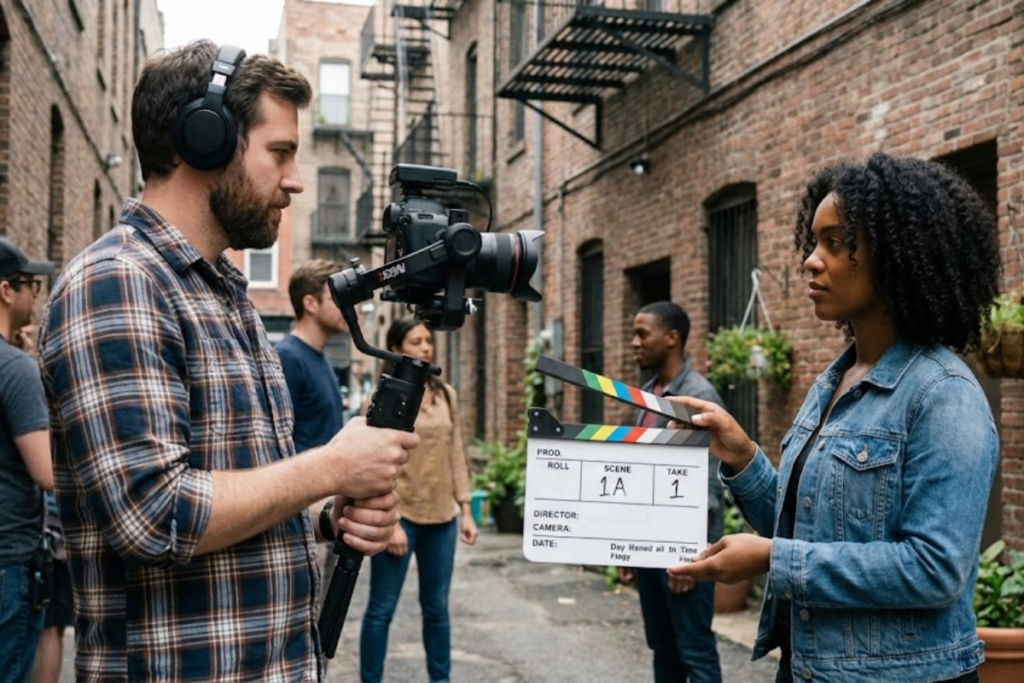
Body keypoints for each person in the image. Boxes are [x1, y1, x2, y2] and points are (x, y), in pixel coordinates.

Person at [37, 41, 418, 682]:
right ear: (206, 139)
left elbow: (239, 481)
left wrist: (324, 514)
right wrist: (330, 466)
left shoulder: (225, 292)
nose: (295, 179)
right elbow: (152, 515)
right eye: (280, 152)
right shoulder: (118, 282)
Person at [669, 153, 1001, 683]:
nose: (810, 260)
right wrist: (741, 454)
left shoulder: (944, 393)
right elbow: (807, 526)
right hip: (809, 667)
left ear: (899, 256)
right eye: (814, 240)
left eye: (836, 243)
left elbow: (934, 570)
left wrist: (774, 558)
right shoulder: (833, 380)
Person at [359, 317, 478, 683]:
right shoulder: (381, 397)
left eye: (428, 340)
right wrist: (389, 522)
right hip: (400, 517)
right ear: (397, 349)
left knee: (437, 609)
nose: (427, 347)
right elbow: (369, 465)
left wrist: (466, 509)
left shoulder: (446, 395)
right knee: (381, 609)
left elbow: (455, 452)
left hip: (442, 517)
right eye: (416, 341)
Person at [620, 301, 724, 683]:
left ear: (672, 337)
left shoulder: (699, 396)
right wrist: (627, 547)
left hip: (683, 551)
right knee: (662, 648)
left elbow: (709, 481)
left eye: (642, 333)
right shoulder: (646, 396)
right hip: (647, 547)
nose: (635, 343)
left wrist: (692, 553)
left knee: (694, 652)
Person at [0, 237, 54, 682]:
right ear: (5, 291)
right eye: (29, 287)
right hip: (9, 566)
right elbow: (48, 471)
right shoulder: (14, 369)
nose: (33, 298)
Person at [277, 259, 347, 453]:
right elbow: (278, 443)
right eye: (336, 298)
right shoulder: (287, 357)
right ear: (310, 303)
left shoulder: (320, 356)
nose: (347, 306)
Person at [31, 492, 74, 683]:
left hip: (51, 524)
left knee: (50, 626)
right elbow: (47, 477)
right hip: (50, 524)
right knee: (49, 627)